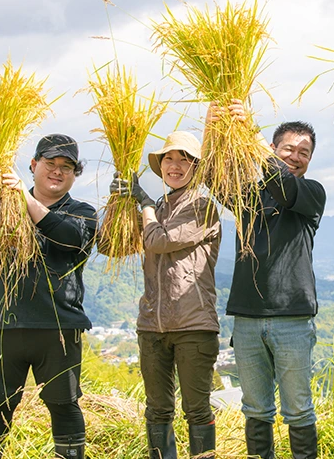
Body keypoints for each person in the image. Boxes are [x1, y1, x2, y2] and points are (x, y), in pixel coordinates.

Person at [0, 134, 96, 459]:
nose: (57, 171)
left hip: (59, 328)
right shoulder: (4, 205)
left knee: (65, 406)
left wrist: (24, 198)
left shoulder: (81, 212)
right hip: (4, 325)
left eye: (66, 167)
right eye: (50, 163)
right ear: (33, 165)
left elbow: (71, 239)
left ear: (75, 174)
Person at [211, 101, 325, 459]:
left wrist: (253, 138)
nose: (296, 156)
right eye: (287, 148)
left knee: (299, 410)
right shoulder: (248, 197)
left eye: (303, 152)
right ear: (275, 149)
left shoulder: (311, 194)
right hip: (246, 319)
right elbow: (214, 178)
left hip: (293, 318)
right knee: (256, 409)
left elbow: (285, 187)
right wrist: (213, 128)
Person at [107, 131, 221, 459]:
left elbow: (159, 241)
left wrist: (141, 200)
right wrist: (119, 204)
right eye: (169, 158)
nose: (175, 165)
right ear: (161, 166)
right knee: (157, 411)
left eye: (184, 159)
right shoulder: (156, 207)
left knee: (196, 410)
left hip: (194, 326)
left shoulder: (203, 207)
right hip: (151, 327)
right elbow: (111, 245)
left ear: (196, 167)